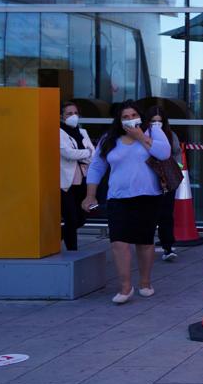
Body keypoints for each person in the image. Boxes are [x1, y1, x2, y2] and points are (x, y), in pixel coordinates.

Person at [82, 102, 170, 304]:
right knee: (118, 242)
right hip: (118, 197)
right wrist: (90, 195)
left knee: (144, 242)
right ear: (119, 120)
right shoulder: (109, 139)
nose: (130, 119)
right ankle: (125, 287)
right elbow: (96, 167)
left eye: (134, 114)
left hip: (148, 196)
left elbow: (163, 153)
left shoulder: (153, 132)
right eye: (126, 116)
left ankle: (145, 282)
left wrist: (141, 137)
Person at [145, 107, 181, 262]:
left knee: (166, 213)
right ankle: (146, 245)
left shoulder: (171, 135)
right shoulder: (143, 135)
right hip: (147, 179)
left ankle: (168, 246)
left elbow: (177, 154)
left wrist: (175, 169)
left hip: (166, 180)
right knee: (149, 214)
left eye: (159, 121)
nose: (156, 124)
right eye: (153, 121)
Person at [58, 102, 94, 252]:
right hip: (66, 182)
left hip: (83, 179)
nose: (73, 116)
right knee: (71, 218)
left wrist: (84, 154)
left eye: (75, 113)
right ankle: (73, 250)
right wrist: (86, 153)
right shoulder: (58, 132)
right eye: (69, 113)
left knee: (81, 218)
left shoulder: (83, 132)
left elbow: (94, 153)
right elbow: (68, 153)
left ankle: (55, 237)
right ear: (61, 116)